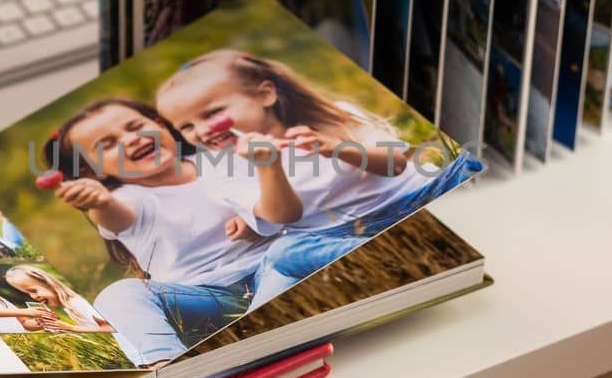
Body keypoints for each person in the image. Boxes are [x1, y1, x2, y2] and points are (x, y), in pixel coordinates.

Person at [156, 49, 480, 306]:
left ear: (265, 95)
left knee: (467, 164)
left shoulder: (330, 117)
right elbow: (283, 216)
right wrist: (269, 166)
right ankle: (380, 255)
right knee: (285, 253)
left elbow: (395, 163)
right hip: (336, 237)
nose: (201, 131)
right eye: (185, 127)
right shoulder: (217, 169)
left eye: (211, 113)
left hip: (413, 196)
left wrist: (337, 148)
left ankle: (421, 230)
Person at [44, 97, 300, 366]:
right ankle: (169, 366)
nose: (131, 139)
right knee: (115, 296)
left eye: (135, 126)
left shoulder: (221, 159)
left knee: (293, 248)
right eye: (107, 145)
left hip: (274, 267)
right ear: (90, 170)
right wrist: (99, 201)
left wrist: (253, 212)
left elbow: (281, 202)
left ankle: (258, 332)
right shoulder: (128, 200)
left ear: (161, 124)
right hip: (205, 298)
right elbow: (113, 214)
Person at [4, 265, 113, 334]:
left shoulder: (78, 303)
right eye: (28, 293)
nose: (33, 297)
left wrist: (70, 328)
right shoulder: (69, 306)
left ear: (48, 284)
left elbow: (109, 328)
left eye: (34, 290)